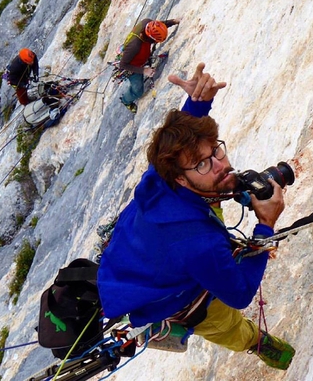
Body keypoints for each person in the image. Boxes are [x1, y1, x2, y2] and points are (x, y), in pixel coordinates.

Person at [97, 63, 295, 370]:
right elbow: (240, 293)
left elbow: (188, 154)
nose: (219, 164)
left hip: (130, 260)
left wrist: (197, 105)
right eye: (202, 164)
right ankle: (254, 342)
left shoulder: (159, 179)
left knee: (219, 187)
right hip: (175, 298)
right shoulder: (200, 244)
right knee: (223, 322)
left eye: (216, 151)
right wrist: (265, 226)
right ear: (179, 177)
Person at [118, 18, 180, 113]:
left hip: (140, 57)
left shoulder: (147, 23)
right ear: (149, 39)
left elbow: (159, 26)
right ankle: (126, 100)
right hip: (133, 66)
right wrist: (144, 70)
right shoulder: (134, 46)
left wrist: (173, 21)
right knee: (138, 91)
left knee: (143, 55)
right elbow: (122, 65)